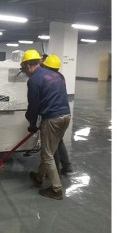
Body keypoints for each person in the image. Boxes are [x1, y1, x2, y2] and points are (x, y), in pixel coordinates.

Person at [20, 49, 71, 200]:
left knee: (47, 154)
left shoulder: (34, 80)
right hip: (66, 116)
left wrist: (31, 123)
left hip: (52, 119)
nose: (24, 72)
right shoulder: (56, 75)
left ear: (28, 65)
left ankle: (56, 189)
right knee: (50, 150)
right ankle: (39, 177)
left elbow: (34, 105)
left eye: (23, 68)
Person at [41, 55, 73, 175]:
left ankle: (55, 170)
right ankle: (67, 166)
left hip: (54, 114)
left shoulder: (47, 77)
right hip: (65, 112)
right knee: (59, 141)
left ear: (46, 66)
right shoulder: (60, 76)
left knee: (52, 144)